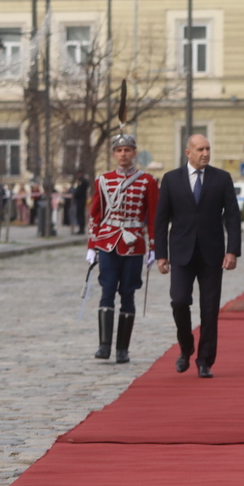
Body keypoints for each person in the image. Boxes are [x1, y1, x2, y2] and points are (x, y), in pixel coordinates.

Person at [154, 135, 242, 379]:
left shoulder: (221, 178)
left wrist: (232, 250)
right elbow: (161, 220)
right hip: (181, 253)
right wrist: (160, 254)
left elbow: (233, 216)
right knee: (179, 301)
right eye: (200, 149)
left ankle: (205, 360)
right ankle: (186, 346)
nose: (205, 153)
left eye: (208, 149)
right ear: (188, 153)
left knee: (209, 309)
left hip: (212, 254)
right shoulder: (171, 179)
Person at [86, 133, 159, 363]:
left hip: (134, 244)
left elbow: (154, 216)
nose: (123, 154)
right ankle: (104, 346)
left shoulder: (147, 181)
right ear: (114, 154)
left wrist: (153, 247)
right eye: (119, 150)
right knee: (107, 290)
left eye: (127, 150)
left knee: (128, 293)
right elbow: (95, 215)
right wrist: (92, 245)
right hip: (108, 242)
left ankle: (122, 349)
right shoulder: (103, 180)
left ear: (134, 153)